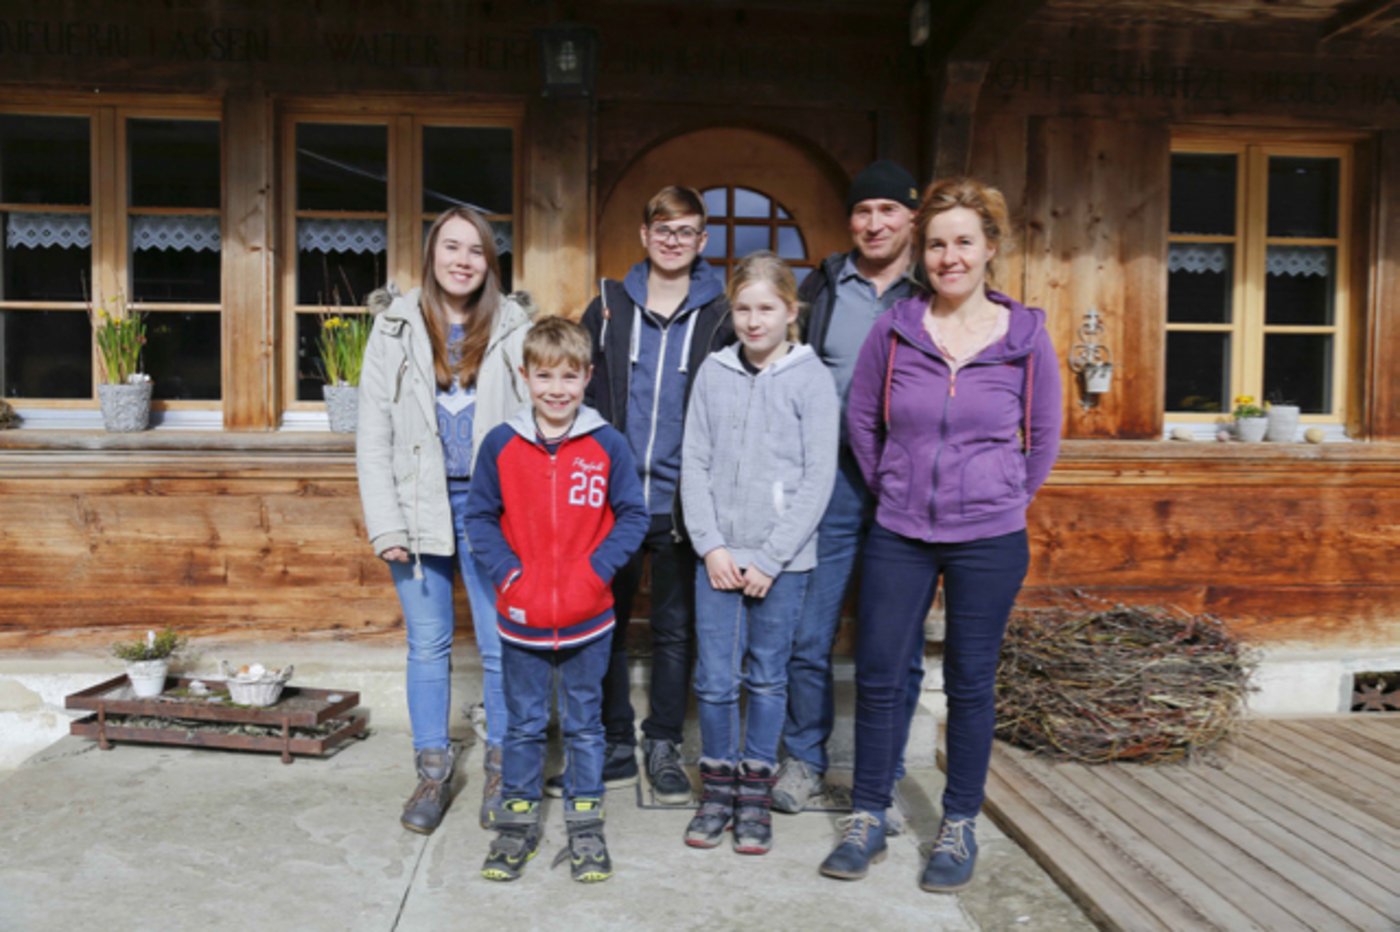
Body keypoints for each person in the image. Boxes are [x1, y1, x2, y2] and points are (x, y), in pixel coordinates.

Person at [818, 177, 1062, 891]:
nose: (949, 256)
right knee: (882, 674)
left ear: (989, 248)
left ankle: (958, 825)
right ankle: (867, 817)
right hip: (900, 529)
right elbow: (862, 421)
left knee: (970, 682)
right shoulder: (896, 332)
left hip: (989, 536)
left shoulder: (1026, 337)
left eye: (963, 242)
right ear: (921, 255)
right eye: (936, 244)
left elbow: (1042, 435)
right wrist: (893, 481)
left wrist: (1006, 495)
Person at [356, 207, 534, 835]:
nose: (463, 260)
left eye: (476, 250)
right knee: (427, 645)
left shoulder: (515, 326)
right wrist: (387, 525)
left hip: (494, 512)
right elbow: (372, 434)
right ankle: (431, 772)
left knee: (501, 646)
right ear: (431, 253)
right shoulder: (396, 327)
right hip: (417, 506)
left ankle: (503, 768)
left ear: (491, 261)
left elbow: (535, 426)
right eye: (451, 247)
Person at [464, 317, 648, 883]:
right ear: (525, 377)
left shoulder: (607, 444)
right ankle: (515, 824)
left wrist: (596, 571)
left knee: (585, 726)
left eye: (569, 376)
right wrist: (508, 574)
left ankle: (586, 822)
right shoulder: (501, 445)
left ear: (588, 377)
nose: (557, 389)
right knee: (521, 724)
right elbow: (479, 517)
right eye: (544, 376)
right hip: (520, 619)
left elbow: (633, 515)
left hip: (587, 618)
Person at [773, 160, 926, 819]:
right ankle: (804, 761)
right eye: (864, 211)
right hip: (829, 482)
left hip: (904, 487)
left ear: (911, 219)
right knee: (808, 635)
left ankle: (881, 778)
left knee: (893, 644)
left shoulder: (930, 293)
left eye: (888, 210)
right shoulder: (825, 284)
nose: (874, 222)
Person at [571, 185, 731, 805]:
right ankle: (614, 738)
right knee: (603, 622)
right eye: (662, 229)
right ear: (644, 235)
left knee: (673, 629)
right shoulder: (610, 307)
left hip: (682, 502)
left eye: (685, 231)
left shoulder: (718, 313)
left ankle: (662, 739)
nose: (672, 241)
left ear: (701, 241)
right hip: (612, 501)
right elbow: (578, 392)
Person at [680, 251, 839, 855]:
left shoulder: (810, 378)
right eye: (742, 308)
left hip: (783, 563)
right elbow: (693, 462)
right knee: (716, 679)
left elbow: (818, 477)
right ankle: (716, 788)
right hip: (717, 558)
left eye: (766, 308)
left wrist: (772, 557)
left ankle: (754, 791)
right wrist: (711, 545)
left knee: (768, 678)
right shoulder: (714, 373)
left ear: (789, 311)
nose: (753, 321)